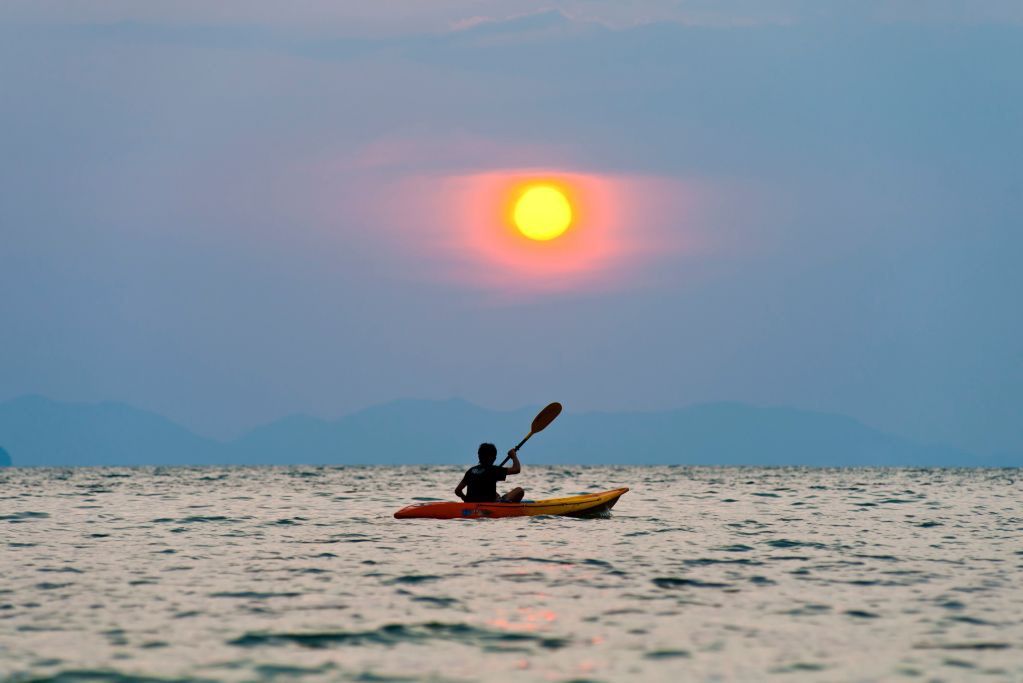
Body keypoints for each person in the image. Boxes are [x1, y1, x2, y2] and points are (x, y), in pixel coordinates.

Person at [455, 443, 525, 503]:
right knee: (519, 490)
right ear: (493, 458)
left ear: (479, 456)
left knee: (495, 494)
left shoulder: (471, 471)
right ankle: (509, 506)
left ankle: (501, 500)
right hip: (490, 505)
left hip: (471, 504)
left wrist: (466, 500)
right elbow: (516, 469)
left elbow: (458, 491)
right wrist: (513, 456)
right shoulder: (493, 470)